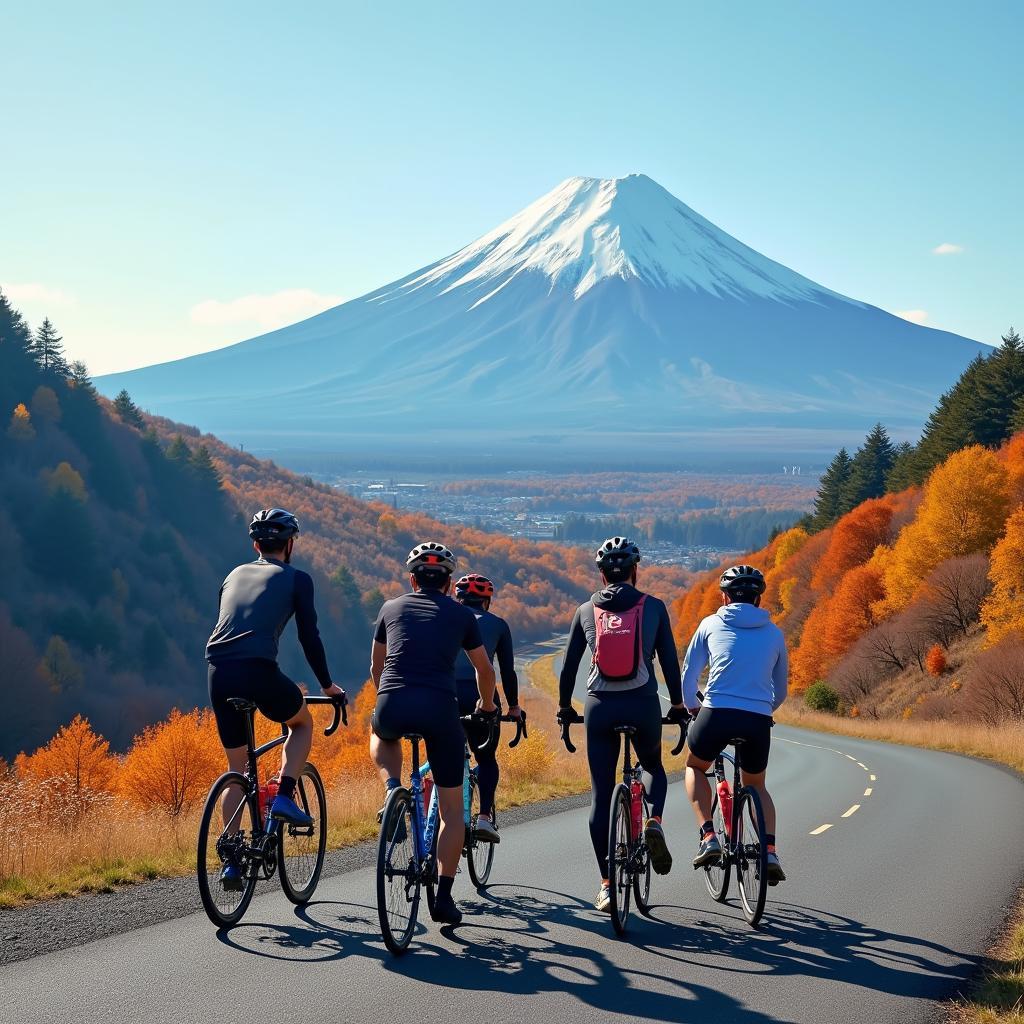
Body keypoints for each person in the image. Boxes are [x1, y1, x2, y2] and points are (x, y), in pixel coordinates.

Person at [206, 508, 346, 890]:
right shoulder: (297, 579)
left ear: (255, 544)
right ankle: (284, 795)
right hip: (258, 670)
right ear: (290, 545)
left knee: (237, 769)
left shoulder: (233, 574)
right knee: (300, 723)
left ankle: (232, 860)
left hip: (218, 672)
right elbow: (309, 637)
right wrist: (329, 685)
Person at [369, 542, 497, 926]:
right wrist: (486, 706)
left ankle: (392, 788)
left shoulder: (390, 608)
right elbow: (484, 671)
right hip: (441, 710)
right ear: (449, 582)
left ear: (411, 580)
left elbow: (375, 665)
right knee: (453, 812)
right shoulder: (461, 616)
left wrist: (385, 698)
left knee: (381, 733)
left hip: (394, 699)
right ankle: (443, 896)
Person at [557, 536, 687, 912]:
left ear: (601, 575)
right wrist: (677, 706)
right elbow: (668, 663)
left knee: (601, 794)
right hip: (642, 702)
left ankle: (606, 884)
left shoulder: (585, 611)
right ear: (635, 570)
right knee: (651, 766)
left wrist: (566, 708)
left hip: (600, 706)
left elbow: (568, 668)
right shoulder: (655, 607)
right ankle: (655, 821)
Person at [680, 564, 789, 883]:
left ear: (724, 597)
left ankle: (708, 836)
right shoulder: (774, 633)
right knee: (756, 785)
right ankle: (769, 850)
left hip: (716, 713)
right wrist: (764, 708)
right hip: (756, 719)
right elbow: (780, 689)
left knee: (695, 766)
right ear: (758, 599)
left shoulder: (710, 624)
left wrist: (692, 707)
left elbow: (689, 675)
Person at [452, 573, 522, 843]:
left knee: (442, 756)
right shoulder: (498, 625)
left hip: (443, 692)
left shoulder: (446, 618)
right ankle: (483, 817)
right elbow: (507, 671)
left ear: (458, 598)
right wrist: (514, 707)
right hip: (481, 696)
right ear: (487, 601)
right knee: (486, 759)